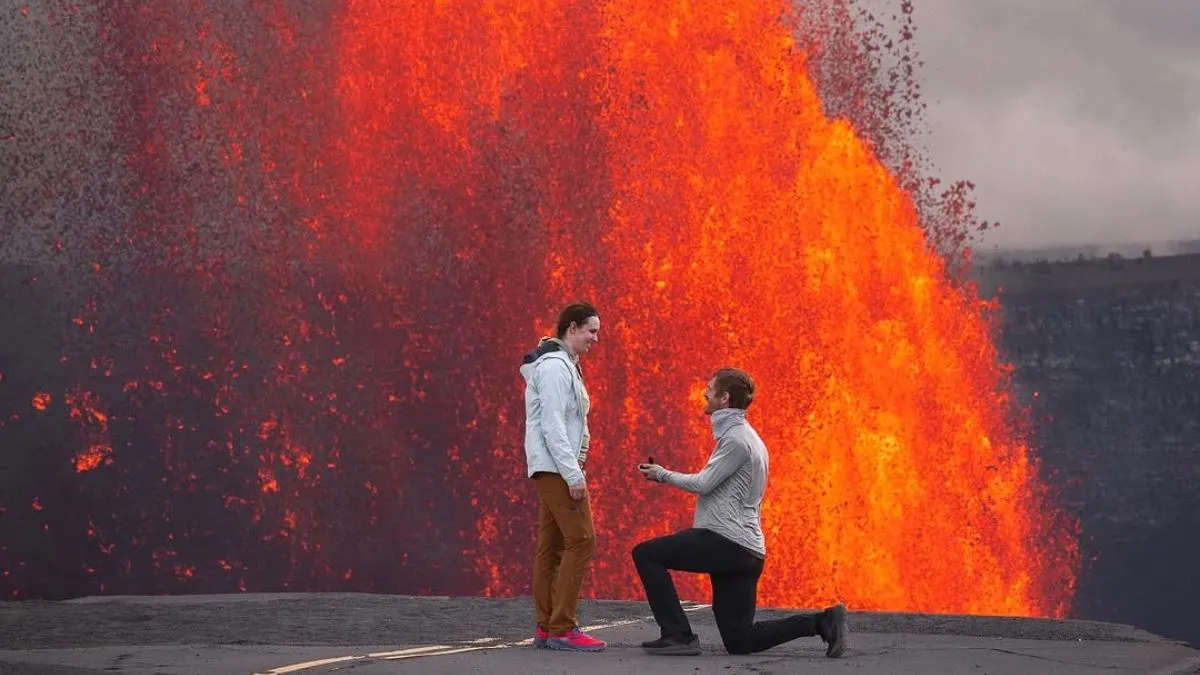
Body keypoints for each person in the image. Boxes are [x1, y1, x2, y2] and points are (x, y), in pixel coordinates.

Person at [632, 367, 848, 658]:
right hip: (746, 552)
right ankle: (822, 622)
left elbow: (704, 483)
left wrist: (661, 474)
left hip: (725, 542)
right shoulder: (749, 438)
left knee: (646, 554)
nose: (705, 393)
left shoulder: (736, 440)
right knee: (740, 641)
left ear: (724, 398)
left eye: (710, 389)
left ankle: (678, 635)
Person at [520, 302, 605, 652]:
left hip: (551, 465)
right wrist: (573, 473)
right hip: (556, 467)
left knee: (552, 546)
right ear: (571, 328)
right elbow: (553, 424)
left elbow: (567, 422)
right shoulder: (556, 367)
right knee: (582, 539)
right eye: (591, 331)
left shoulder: (562, 365)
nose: (595, 338)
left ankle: (547, 626)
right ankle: (562, 628)